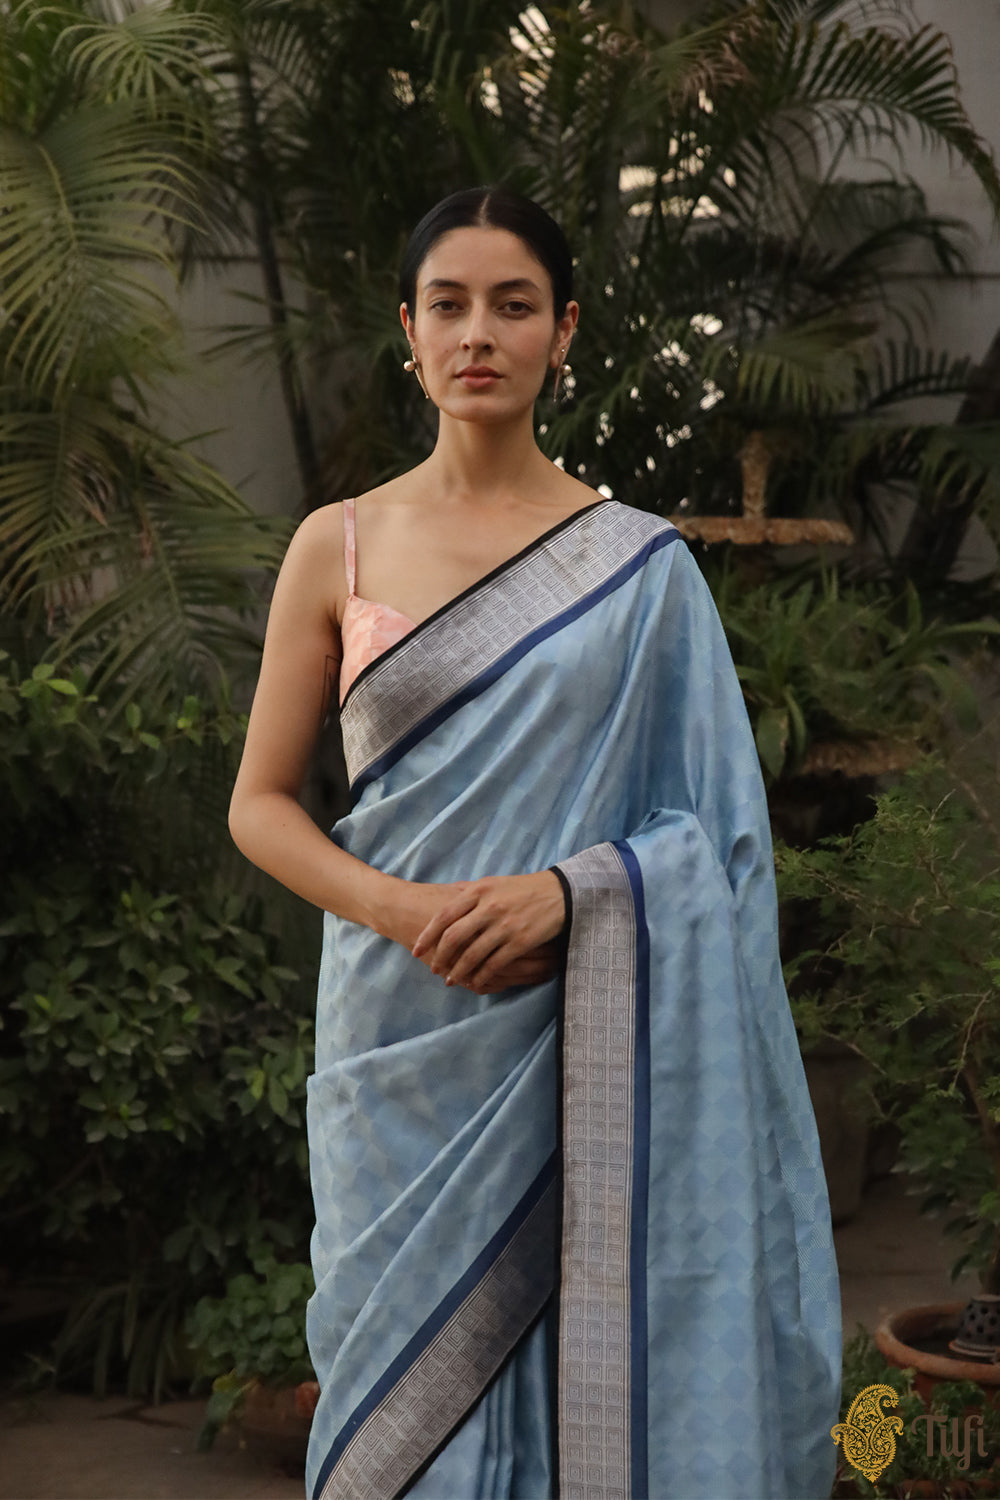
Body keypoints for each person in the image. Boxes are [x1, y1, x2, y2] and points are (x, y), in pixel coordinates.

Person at [228, 185, 842, 1500]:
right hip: (399, 1036)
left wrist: (577, 899)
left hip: (580, 1029)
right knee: (393, 1405)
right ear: (408, 330)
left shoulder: (640, 570)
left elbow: (719, 838)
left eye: (513, 306)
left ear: (563, 333)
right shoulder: (338, 546)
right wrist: (398, 910)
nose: (478, 334)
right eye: (447, 304)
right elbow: (261, 803)